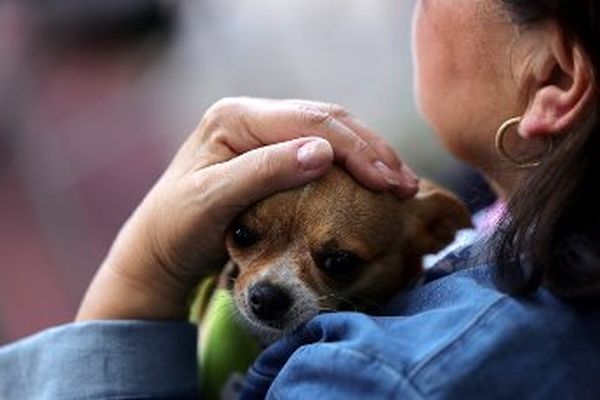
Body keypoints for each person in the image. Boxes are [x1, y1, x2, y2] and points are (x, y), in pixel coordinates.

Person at [2, 0, 600, 398]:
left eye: (334, 262)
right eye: (246, 236)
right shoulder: (516, 237)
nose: (264, 284)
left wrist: (142, 273)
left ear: (554, 76)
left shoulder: (378, 379)